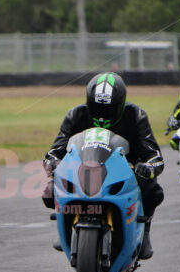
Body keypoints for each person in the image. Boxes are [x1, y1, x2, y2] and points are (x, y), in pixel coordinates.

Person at [42, 72, 164, 260]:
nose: (102, 114)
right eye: (96, 107)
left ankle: (144, 230)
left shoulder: (136, 115)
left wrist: (148, 167)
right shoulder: (75, 115)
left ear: (121, 104)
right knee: (50, 190)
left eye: (108, 109)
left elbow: (155, 155)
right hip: (84, 169)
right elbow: (54, 152)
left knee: (153, 190)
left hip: (125, 170)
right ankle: (64, 225)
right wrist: (53, 163)